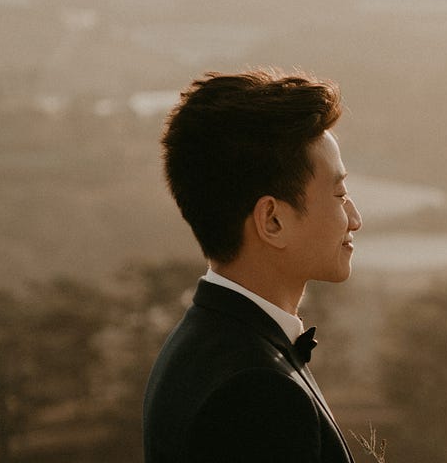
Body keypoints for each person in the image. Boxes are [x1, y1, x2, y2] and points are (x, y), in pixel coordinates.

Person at [144, 69, 362, 463]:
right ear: (272, 221)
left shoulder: (199, 340)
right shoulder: (258, 395)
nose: (355, 217)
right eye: (339, 193)